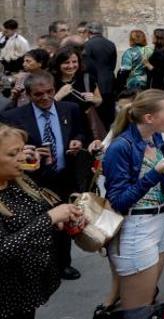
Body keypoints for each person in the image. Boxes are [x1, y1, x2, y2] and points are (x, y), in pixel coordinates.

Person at [102, 90, 164, 316]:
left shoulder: (155, 137)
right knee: (137, 310)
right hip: (135, 230)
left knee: (147, 299)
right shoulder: (121, 147)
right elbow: (118, 201)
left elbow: (158, 172)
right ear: (149, 118)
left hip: (158, 223)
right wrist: (156, 174)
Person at [0, 71, 87, 281]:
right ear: (29, 95)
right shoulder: (14, 117)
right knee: (38, 223)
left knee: (64, 223)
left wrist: (78, 141)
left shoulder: (70, 109)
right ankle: (43, 264)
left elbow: (81, 131)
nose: (46, 97)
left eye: (50, 92)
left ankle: (63, 264)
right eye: (39, 94)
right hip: (33, 179)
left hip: (64, 176)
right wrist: (27, 154)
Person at [0, 124, 85, 319]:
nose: (22, 157)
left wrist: (65, 218)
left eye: (22, 149)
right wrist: (50, 218)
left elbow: (37, 215)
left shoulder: (19, 180)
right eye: (13, 154)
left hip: (28, 288)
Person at [50, 46, 103, 138]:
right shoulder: (50, 81)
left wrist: (94, 99)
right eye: (66, 63)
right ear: (58, 64)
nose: (71, 66)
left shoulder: (87, 78)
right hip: (60, 127)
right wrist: (58, 96)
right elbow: (43, 107)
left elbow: (99, 101)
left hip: (85, 128)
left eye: (74, 62)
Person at [83, 22, 118, 129]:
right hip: (109, 80)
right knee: (109, 112)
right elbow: (113, 63)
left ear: (88, 32)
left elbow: (87, 65)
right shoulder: (110, 44)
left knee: (98, 113)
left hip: (95, 82)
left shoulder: (87, 45)